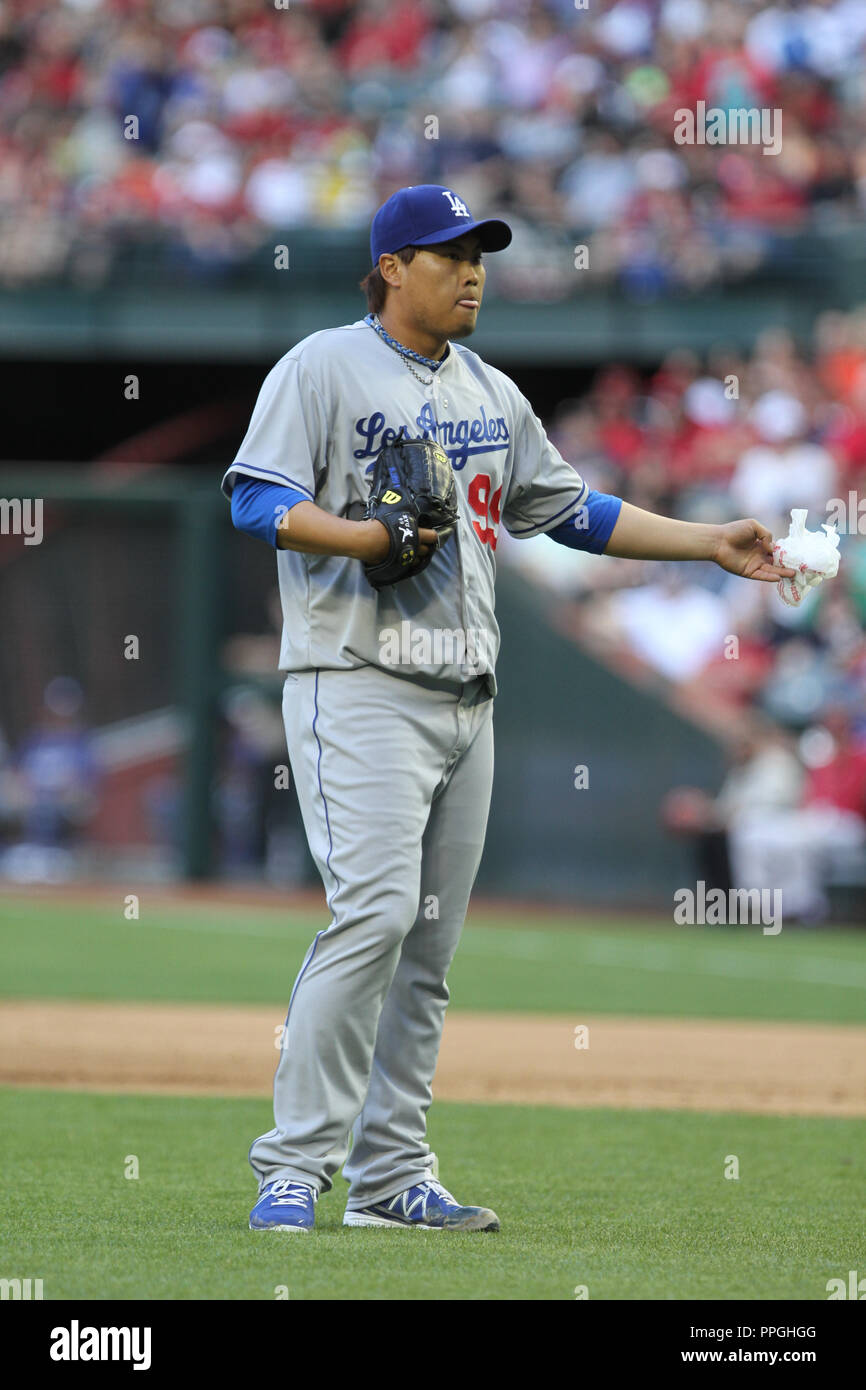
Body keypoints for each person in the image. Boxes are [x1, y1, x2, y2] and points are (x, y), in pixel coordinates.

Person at [222, 183, 795, 1234]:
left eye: (479, 253)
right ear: (393, 266)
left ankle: (392, 1176)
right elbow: (253, 497)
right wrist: (360, 539)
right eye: (448, 254)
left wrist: (706, 538)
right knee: (375, 916)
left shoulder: (491, 390)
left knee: (428, 951)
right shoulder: (320, 365)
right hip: (358, 679)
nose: (472, 269)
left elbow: (572, 513)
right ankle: (293, 1166)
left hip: (466, 697)